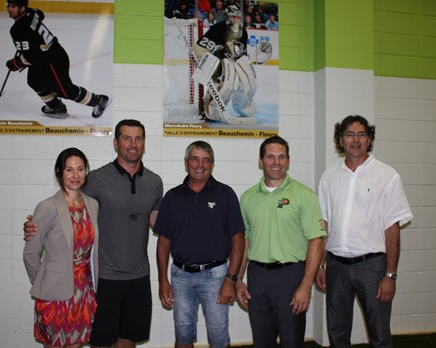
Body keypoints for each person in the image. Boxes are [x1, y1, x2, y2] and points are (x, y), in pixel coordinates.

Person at [24, 119, 163, 348]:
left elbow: (158, 223)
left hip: (139, 276)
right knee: (98, 340)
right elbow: (67, 206)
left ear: (144, 143)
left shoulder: (154, 182)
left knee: (128, 339)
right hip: (103, 278)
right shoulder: (95, 180)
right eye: (126, 138)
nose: (133, 144)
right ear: (116, 142)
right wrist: (33, 225)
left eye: (138, 138)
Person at [315, 115, 413, 348]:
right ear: (340, 140)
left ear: (369, 139)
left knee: (379, 334)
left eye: (361, 134)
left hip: (373, 268)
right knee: (337, 332)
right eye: (349, 134)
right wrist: (320, 265)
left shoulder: (387, 176)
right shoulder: (329, 177)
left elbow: (392, 229)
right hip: (336, 267)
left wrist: (390, 275)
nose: (356, 139)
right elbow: (324, 225)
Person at [235, 136, 327, 348]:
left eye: (281, 157)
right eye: (270, 157)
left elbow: (316, 240)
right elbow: (245, 242)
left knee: (291, 341)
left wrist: (305, 286)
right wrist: (238, 279)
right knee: (262, 341)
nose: (276, 162)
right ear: (261, 161)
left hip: (291, 275)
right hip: (257, 277)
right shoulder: (248, 198)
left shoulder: (304, 195)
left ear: (288, 161)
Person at [154, 141, 245, 348]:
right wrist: (162, 280)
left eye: (206, 160)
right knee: (183, 335)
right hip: (180, 277)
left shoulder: (225, 194)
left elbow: (238, 239)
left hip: (216, 276)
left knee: (218, 337)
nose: (200, 165)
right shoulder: (172, 197)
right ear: (186, 163)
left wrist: (230, 280)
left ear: (212, 164)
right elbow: (163, 241)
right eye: (195, 159)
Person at [23, 147, 99, 348]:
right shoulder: (48, 206)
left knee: (76, 344)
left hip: (84, 291)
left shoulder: (92, 205)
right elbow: (30, 252)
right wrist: (43, 285)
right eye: (69, 170)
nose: (76, 175)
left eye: (81, 169)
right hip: (54, 294)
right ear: (59, 172)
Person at [5, 0, 109, 119]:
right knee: (35, 81)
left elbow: (30, 56)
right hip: (46, 56)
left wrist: (16, 63)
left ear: (22, 8)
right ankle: (56, 107)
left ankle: (98, 100)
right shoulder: (32, 12)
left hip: (52, 60)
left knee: (64, 90)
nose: (9, 9)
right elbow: (40, 14)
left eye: (13, 6)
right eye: (8, 6)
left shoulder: (18, 29)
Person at [193, 4, 271, 125]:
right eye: (234, 17)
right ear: (228, 17)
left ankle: (243, 106)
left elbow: (241, 53)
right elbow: (201, 48)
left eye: (238, 17)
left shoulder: (243, 31)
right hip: (216, 58)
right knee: (223, 84)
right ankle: (209, 108)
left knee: (247, 84)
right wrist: (205, 61)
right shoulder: (218, 28)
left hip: (229, 60)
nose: (236, 19)